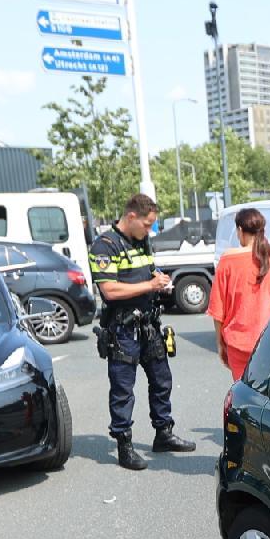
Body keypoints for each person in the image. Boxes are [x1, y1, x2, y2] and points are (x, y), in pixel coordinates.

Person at [92, 192, 196, 471]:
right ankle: (124, 444)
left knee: (162, 380)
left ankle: (163, 433)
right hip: (122, 328)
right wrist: (149, 286)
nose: (150, 230)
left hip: (148, 324)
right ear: (132, 216)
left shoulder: (142, 241)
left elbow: (149, 270)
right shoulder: (105, 246)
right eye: (148, 224)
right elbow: (110, 290)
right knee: (123, 389)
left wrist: (159, 280)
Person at [209, 206, 270, 382]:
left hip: (240, 344)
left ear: (240, 230)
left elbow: (218, 311)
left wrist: (220, 344)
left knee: (246, 397)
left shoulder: (227, 262)